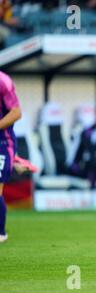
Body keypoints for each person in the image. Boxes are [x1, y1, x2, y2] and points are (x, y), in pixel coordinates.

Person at [0, 71, 37, 243]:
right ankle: (14, 161)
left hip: (2, 143)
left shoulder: (3, 81)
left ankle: (1, 234)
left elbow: (16, 113)